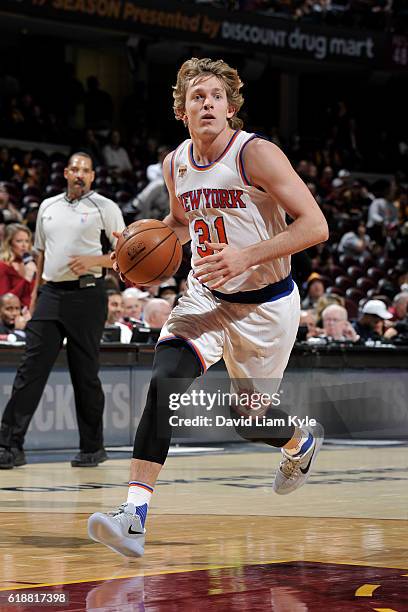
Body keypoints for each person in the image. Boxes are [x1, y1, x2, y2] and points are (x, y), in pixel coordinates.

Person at [88, 57, 328, 557]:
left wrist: (247, 254)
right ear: (181, 110)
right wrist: (136, 245)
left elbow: (314, 226)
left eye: (217, 96)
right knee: (165, 383)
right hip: (206, 297)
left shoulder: (256, 155)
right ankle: (133, 517)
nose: (208, 104)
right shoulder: (174, 163)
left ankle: (298, 442)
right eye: (197, 96)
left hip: (266, 306)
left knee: (249, 419)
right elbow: (178, 224)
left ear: (231, 107)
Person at [0, 152, 125, 469]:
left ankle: (92, 447)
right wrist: (33, 299)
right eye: (76, 169)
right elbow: (41, 255)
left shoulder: (106, 208)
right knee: (31, 371)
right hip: (51, 294)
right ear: (67, 173)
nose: (80, 174)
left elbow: (123, 255)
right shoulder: (48, 206)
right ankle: (9, 445)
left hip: (88, 294)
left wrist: (92, 262)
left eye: (86, 170)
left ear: (93, 176)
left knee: (85, 375)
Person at [0, 223, 37, 309]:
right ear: (9, 243)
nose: (24, 245)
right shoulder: (3, 266)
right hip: (14, 315)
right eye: (19, 241)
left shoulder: (31, 263)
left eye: (27, 241)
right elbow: (5, 300)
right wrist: (26, 278)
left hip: (34, 311)